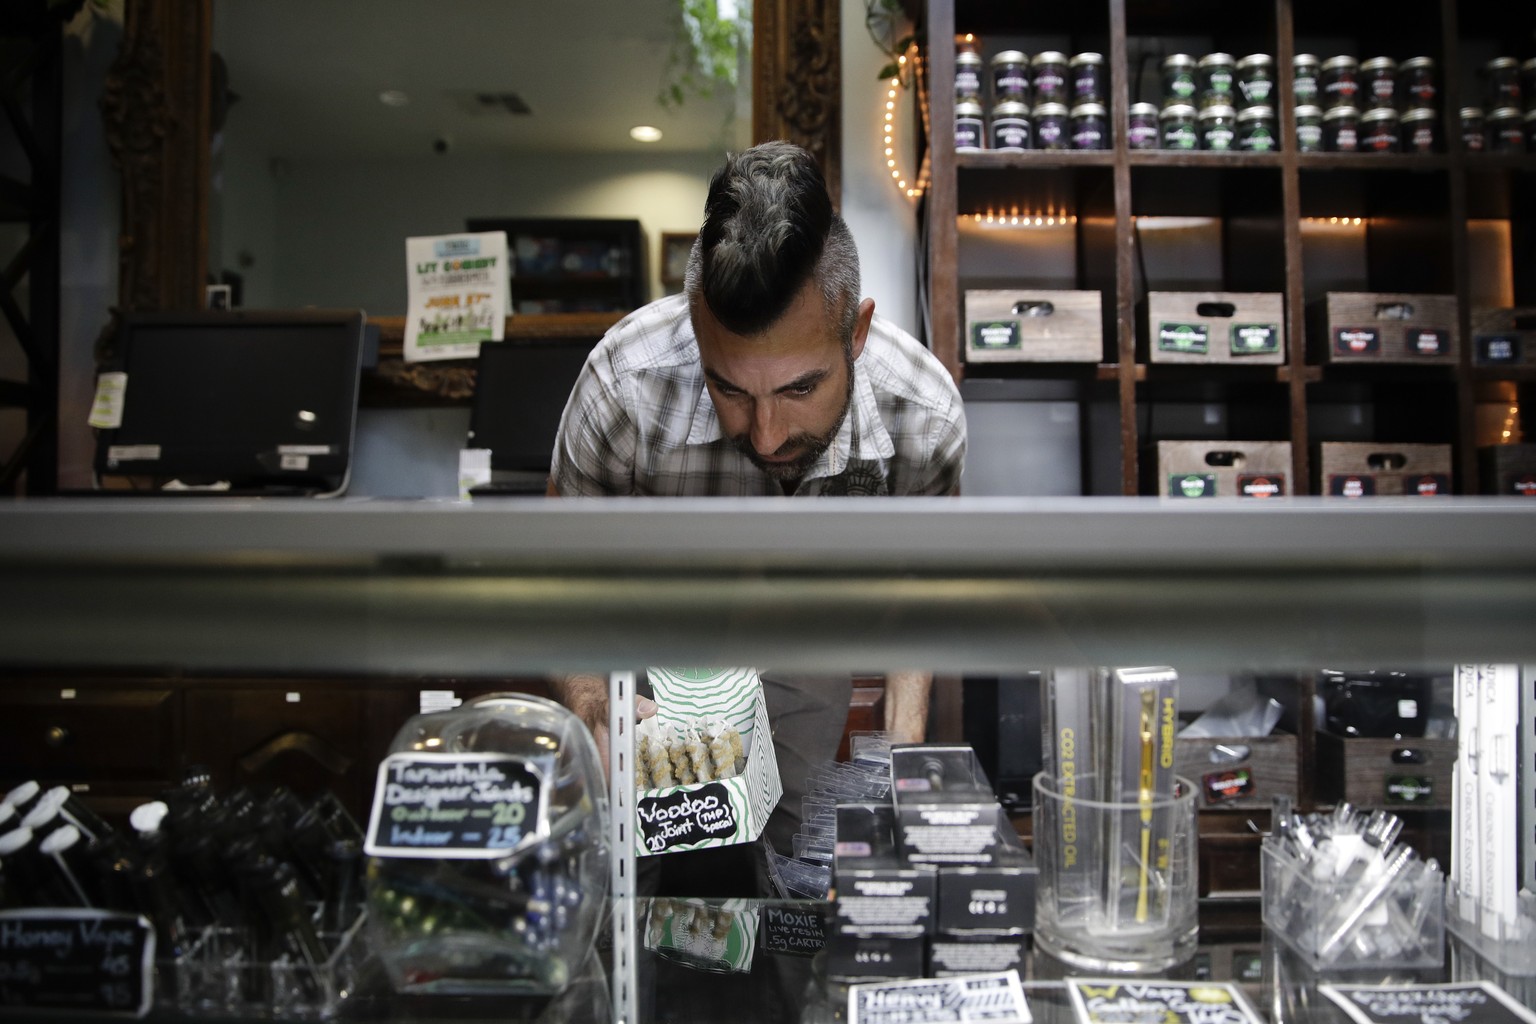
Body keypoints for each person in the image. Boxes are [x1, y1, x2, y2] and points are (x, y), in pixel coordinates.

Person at [546, 140, 966, 890]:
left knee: (783, 898)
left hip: (807, 660)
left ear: (857, 333)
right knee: (649, 906)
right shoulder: (624, 385)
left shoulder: (921, 416)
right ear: (694, 328)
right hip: (650, 671)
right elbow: (558, 571)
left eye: (800, 390)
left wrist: (900, 758)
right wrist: (593, 702)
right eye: (732, 390)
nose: (766, 436)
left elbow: (918, 595)